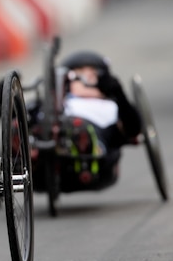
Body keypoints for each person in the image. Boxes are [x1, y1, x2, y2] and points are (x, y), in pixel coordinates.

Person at [57, 50, 142, 187]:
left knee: (87, 130)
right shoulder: (59, 104)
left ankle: (84, 140)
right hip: (59, 138)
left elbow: (133, 129)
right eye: (80, 71)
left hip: (101, 140)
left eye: (92, 71)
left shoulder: (112, 105)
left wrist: (119, 95)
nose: (86, 75)